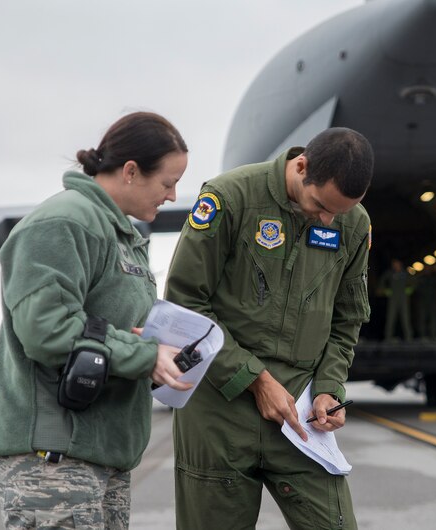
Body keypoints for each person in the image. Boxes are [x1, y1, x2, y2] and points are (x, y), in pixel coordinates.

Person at [0, 111, 192, 529]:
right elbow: (47, 331)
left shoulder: (121, 236)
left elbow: (109, 326)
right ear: (131, 171)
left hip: (100, 454)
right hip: (55, 461)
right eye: (167, 183)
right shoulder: (64, 223)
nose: (171, 196)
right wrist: (144, 354)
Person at [166, 127, 374, 529]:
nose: (328, 219)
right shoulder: (231, 198)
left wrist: (329, 388)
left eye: (340, 212)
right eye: (320, 204)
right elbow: (185, 304)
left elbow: (347, 319)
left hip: (299, 415)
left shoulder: (353, 225)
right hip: (218, 409)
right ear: (301, 166)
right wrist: (255, 380)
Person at [378, 258, 413, 341]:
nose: (395, 266)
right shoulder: (390, 273)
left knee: (405, 318)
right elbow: (382, 280)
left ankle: (409, 338)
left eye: (396, 264)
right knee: (391, 318)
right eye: (393, 264)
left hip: (403, 299)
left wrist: (410, 289)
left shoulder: (405, 273)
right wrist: (385, 290)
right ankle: (388, 337)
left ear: (400, 264)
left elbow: (414, 281)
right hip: (393, 299)